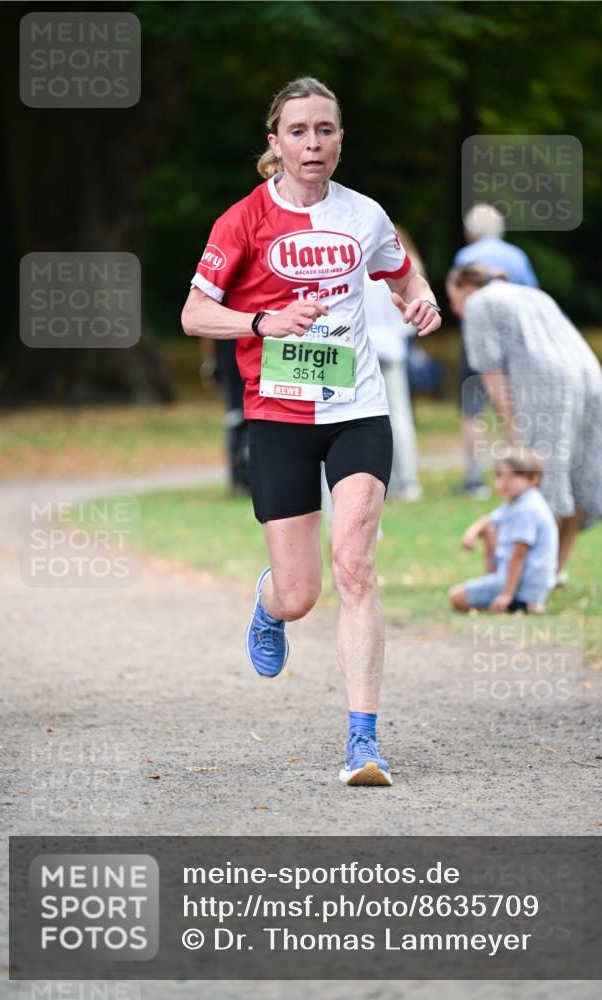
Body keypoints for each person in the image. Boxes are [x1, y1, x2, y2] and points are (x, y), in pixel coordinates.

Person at [181, 78, 442, 786]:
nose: (312, 143)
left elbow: (405, 277)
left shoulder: (364, 215)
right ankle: (271, 602)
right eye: (297, 131)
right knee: (303, 593)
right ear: (276, 143)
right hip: (277, 417)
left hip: (356, 408)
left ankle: (364, 743)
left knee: (355, 566)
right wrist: (262, 323)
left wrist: (420, 306)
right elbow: (194, 316)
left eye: (324, 129)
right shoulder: (242, 220)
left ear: (339, 139)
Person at [446, 263, 602, 583]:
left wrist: (513, 423)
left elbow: (490, 369)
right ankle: (555, 568)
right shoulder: (532, 294)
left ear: (467, 289)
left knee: (539, 481)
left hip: (545, 382)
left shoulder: (479, 304)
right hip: (588, 373)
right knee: (582, 474)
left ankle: (532, 576)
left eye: (454, 301)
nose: (457, 310)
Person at [452, 204, 539, 498]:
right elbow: (532, 299)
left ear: (471, 231)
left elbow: (458, 298)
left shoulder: (466, 257)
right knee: (510, 411)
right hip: (511, 346)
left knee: (472, 412)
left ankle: (474, 479)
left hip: (475, 341)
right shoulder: (517, 256)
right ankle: (518, 474)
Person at [449, 448, 558, 614]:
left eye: (514, 476)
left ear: (534, 479)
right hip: (522, 582)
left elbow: (519, 553)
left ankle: (515, 602)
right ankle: (510, 597)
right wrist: (471, 532)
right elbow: (490, 520)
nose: (505, 482)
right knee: (489, 529)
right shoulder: (519, 501)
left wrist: (506, 594)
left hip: (523, 584)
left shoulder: (526, 510)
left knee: (456, 597)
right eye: (500, 476)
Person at [362, 226, 424, 501]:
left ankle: (376, 479)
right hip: (393, 346)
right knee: (399, 416)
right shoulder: (401, 271)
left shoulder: (358, 269)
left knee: (365, 418)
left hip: (363, 349)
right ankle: (408, 481)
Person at [199, 339, 250, 494]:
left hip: (231, 356)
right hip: (245, 355)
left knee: (236, 417)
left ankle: (239, 478)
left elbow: (207, 332)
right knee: (240, 417)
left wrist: (209, 361)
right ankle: (243, 476)